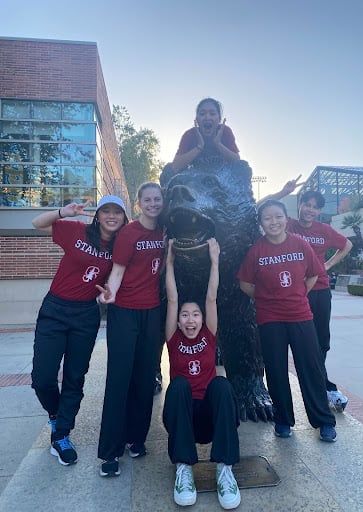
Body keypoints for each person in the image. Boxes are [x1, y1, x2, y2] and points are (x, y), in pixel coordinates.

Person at [31, 195, 128, 466]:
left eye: (117, 213)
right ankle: (56, 414)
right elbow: (36, 222)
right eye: (106, 210)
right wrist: (63, 211)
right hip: (55, 309)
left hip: (86, 314)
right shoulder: (78, 231)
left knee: (75, 377)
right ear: (98, 215)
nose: (111, 216)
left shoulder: (121, 245)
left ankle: (61, 434)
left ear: (123, 217)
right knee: (42, 376)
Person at [237, 199, 337, 442]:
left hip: (301, 316)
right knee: (276, 370)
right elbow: (245, 284)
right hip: (270, 318)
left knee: (310, 369)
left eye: (278, 216)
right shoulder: (257, 251)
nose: (273, 222)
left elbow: (313, 274)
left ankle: (323, 421)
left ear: (285, 218)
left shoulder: (300, 244)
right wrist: (267, 298)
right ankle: (283, 420)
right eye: (268, 218)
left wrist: (298, 294)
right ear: (261, 223)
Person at [163, 238, 241, 510]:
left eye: (195, 315)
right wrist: (170, 262)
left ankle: (225, 469)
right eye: (185, 315)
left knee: (220, 384)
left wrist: (214, 261)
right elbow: (172, 297)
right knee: (178, 386)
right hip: (183, 418)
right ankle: (184, 469)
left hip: (211, 418)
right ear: (178, 320)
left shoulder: (209, 334)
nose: (191, 320)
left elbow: (211, 296)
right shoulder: (173, 338)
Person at [97, 182, 165, 477]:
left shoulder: (165, 231)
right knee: (119, 379)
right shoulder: (129, 233)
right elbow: (119, 271)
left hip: (153, 313)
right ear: (139, 204)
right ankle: (110, 452)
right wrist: (108, 296)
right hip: (125, 312)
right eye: (147, 199)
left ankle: (136, 439)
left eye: (157, 199)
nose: (152, 203)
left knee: (144, 379)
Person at [266, 180, 353, 411]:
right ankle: (323, 386)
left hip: (320, 292)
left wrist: (327, 265)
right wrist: (284, 191)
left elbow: (347, 245)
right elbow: (261, 208)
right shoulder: (288, 225)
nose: (310, 210)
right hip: (293, 294)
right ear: (300, 205)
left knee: (321, 342)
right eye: (307, 204)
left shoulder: (324, 230)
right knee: (305, 345)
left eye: (315, 207)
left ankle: (321, 384)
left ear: (319, 210)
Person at [171, 97, 240, 173]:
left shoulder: (225, 132)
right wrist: (199, 147)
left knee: (244, 168)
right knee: (167, 170)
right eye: (202, 114)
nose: (207, 117)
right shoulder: (189, 135)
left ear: (219, 119)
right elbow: (175, 167)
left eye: (212, 114)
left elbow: (237, 162)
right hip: (196, 177)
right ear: (197, 119)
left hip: (222, 177)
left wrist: (218, 144)